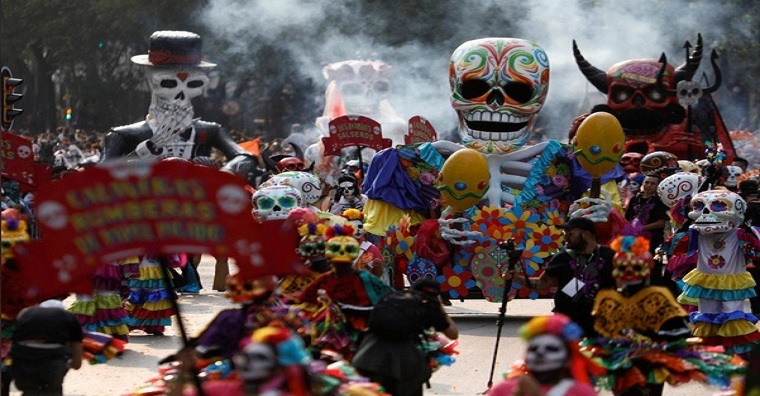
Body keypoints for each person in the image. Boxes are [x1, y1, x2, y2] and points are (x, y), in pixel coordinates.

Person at [509, 217, 615, 337]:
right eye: (565, 234)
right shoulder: (562, 258)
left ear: (586, 234)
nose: (565, 238)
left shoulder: (610, 256)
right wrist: (515, 278)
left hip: (602, 324)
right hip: (569, 325)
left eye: (570, 234)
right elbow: (541, 284)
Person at [352, 278, 458, 396]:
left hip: (366, 358)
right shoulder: (427, 305)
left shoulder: (390, 298)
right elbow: (453, 334)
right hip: (402, 367)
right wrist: (440, 308)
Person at [487, 314, 600, 396]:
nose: (540, 353)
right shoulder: (503, 389)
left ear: (568, 360)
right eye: (533, 349)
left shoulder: (580, 392)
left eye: (551, 349)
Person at [9, 299, 83, 396]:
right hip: (53, 361)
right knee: (53, 390)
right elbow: (76, 348)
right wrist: (74, 364)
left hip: (22, 358)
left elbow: (14, 338)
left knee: (29, 390)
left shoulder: (25, 312)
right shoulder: (67, 317)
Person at [624, 175, 669, 255]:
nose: (649, 185)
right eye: (646, 182)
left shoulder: (660, 201)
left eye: (653, 183)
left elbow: (661, 223)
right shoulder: (634, 199)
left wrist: (641, 228)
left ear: (658, 186)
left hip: (652, 239)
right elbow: (627, 218)